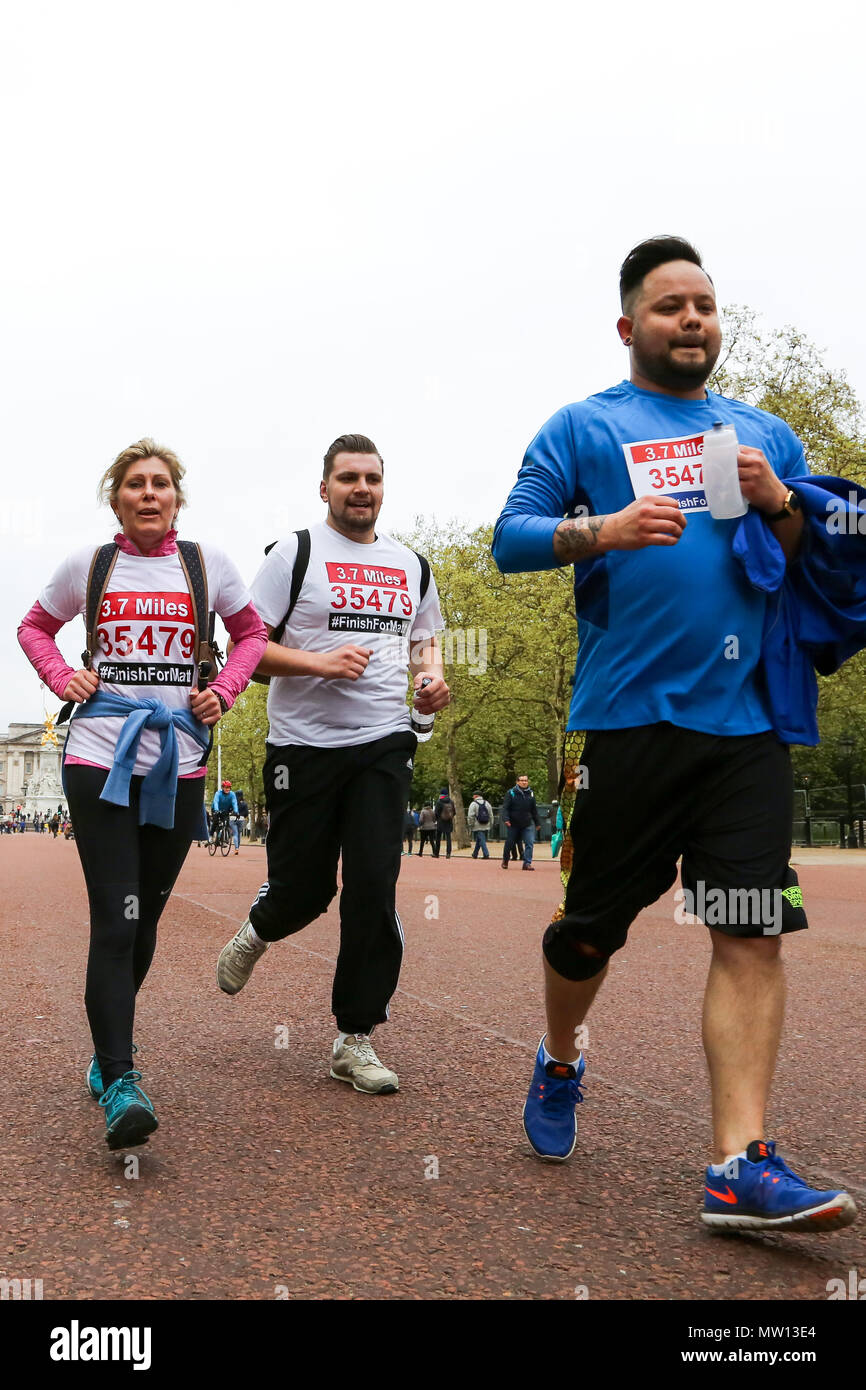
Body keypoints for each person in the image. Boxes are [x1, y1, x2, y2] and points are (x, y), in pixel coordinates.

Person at [492, 236, 858, 1232]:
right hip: (628, 722)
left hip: (746, 729)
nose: (690, 318)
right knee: (587, 934)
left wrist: (782, 503)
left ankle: (737, 1164)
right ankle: (560, 1056)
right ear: (627, 327)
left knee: (748, 926)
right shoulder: (582, 426)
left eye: (702, 304)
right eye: (668, 306)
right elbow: (509, 537)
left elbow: (810, 551)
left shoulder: (762, 433)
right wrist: (600, 530)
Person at [17, 438, 267, 1149]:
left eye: (161, 483)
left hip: (180, 761)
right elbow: (34, 627)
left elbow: (251, 635)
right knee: (115, 918)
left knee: (146, 916)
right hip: (100, 754)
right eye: (135, 484)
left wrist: (225, 688)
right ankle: (122, 1081)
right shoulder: (89, 566)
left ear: (177, 498)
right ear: (117, 499)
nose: (149, 493)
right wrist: (62, 677)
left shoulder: (208, 566)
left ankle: (105, 1050)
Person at [216, 433, 449, 1094]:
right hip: (302, 749)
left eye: (372, 478)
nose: (361, 489)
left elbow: (427, 642)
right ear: (325, 488)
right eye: (348, 478)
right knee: (306, 889)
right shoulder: (295, 554)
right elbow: (246, 650)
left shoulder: (413, 566)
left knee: (373, 885)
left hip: (383, 744)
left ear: (383, 487)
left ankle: (355, 1037)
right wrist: (319, 662)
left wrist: (429, 681)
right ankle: (261, 928)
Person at [501, 775, 540, 870]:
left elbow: (534, 809)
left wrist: (537, 823)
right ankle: (505, 860)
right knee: (510, 843)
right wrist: (506, 819)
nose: (524, 782)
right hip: (513, 823)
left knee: (530, 843)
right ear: (517, 782)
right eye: (522, 780)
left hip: (527, 823)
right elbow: (505, 808)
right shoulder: (511, 793)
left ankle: (527, 863)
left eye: (526, 780)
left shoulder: (531, 793)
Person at [212, 779, 240, 853]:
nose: (227, 789)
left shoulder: (232, 794)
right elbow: (216, 802)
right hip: (216, 809)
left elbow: (234, 803)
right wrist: (216, 810)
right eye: (225, 787)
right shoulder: (218, 793)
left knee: (226, 824)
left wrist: (236, 812)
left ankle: (223, 839)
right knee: (215, 822)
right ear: (222, 787)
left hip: (226, 811)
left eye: (229, 787)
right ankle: (210, 836)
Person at [467, 790, 492, 858]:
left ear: (476, 796)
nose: (473, 797)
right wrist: (491, 824)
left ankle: (486, 854)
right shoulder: (487, 803)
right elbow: (491, 815)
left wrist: (470, 824)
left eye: (473, 796)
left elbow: (470, 816)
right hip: (486, 824)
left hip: (477, 825)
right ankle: (475, 854)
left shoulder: (473, 804)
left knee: (482, 839)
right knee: (479, 839)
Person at [433, 787, 455, 858]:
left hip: (440, 822)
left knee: (438, 838)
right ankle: (448, 853)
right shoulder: (451, 801)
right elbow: (454, 812)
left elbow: (436, 813)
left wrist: (436, 819)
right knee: (448, 838)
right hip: (449, 822)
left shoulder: (439, 801)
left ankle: (436, 853)